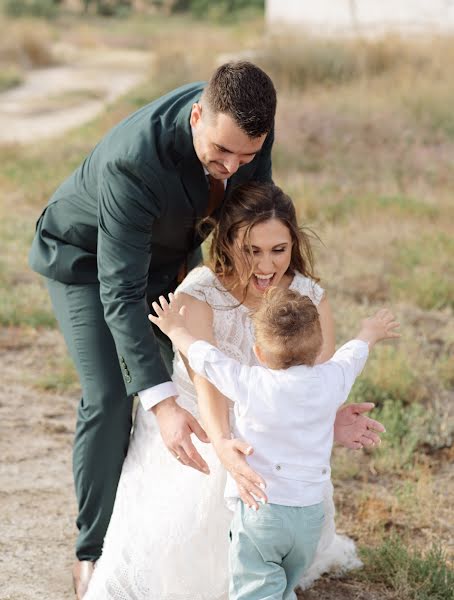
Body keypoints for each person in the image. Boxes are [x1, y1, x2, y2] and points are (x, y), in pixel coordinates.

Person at [28, 61, 277, 598]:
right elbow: (119, 292)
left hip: (169, 256)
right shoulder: (133, 163)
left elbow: (251, 214)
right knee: (117, 394)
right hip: (88, 262)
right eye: (221, 153)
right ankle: (92, 551)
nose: (232, 167)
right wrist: (161, 404)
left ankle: (159, 526)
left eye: (247, 156)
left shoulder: (248, 120)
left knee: (193, 370)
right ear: (196, 117)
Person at [84, 182, 387, 599]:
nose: (266, 266)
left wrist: (330, 418)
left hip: (274, 442)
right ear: (228, 243)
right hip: (202, 428)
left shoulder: (308, 296)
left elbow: (314, 378)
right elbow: (207, 382)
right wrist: (224, 442)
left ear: (293, 244)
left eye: (278, 250)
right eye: (252, 250)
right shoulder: (200, 292)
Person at [149, 288, 400, 600]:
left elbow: (206, 359)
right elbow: (354, 353)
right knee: (281, 586)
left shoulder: (251, 383)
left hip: (262, 512)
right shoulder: (333, 379)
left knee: (256, 588)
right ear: (319, 346)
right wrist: (370, 331)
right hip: (310, 515)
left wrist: (175, 329)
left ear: (259, 352)